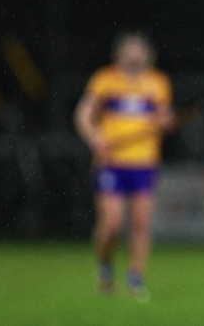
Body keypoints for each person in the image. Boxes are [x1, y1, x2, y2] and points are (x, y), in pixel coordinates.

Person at [74, 30, 174, 302]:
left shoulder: (158, 82)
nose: (134, 54)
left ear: (147, 53)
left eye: (139, 49)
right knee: (112, 224)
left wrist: (165, 122)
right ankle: (105, 265)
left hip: (144, 162)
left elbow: (164, 118)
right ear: (119, 54)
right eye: (129, 49)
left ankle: (135, 277)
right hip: (111, 162)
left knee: (141, 223)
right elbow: (83, 115)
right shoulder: (105, 80)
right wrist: (95, 138)